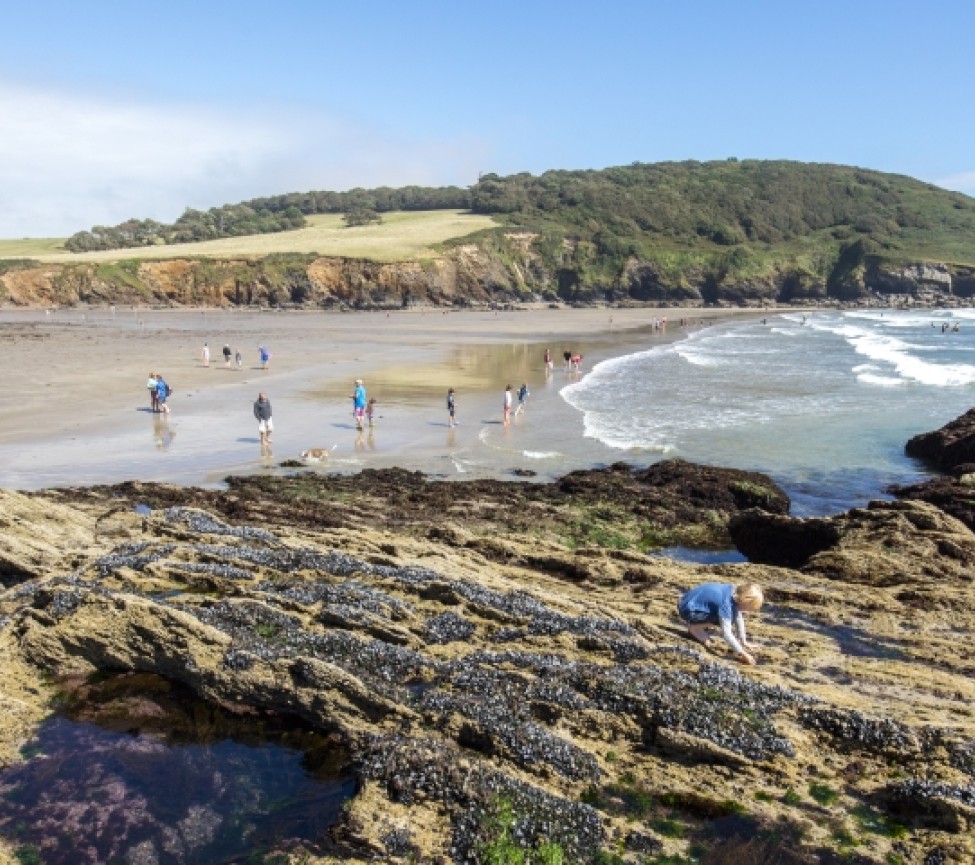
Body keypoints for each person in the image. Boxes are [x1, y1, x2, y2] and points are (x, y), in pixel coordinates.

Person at [677, 582, 763, 665]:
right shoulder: (726, 604)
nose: (748, 612)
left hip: (685, 601)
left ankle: (699, 626)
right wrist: (743, 654)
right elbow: (726, 634)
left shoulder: (732, 590)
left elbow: (738, 615)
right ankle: (694, 627)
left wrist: (743, 640)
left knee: (730, 615)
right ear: (744, 600)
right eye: (749, 608)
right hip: (688, 610)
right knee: (724, 619)